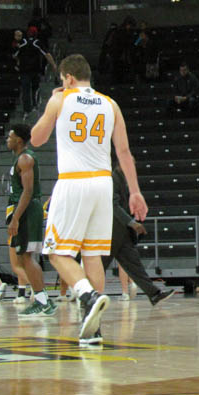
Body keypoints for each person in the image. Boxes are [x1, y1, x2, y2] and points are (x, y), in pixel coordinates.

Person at [31, 54, 148, 344]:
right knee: (91, 254)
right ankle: (93, 329)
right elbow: (123, 153)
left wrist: (52, 102)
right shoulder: (111, 104)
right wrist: (134, 191)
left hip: (74, 182)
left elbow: (35, 138)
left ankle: (87, 295)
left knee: (57, 252)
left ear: (68, 78)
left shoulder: (61, 99)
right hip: (103, 184)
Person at [103, 151, 174, 306]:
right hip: (113, 230)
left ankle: (154, 293)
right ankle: (86, 294)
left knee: (133, 264)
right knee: (100, 264)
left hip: (121, 232)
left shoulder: (124, 179)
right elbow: (113, 206)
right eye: (130, 162)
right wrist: (132, 223)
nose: (132, 166)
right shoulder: (113, 178)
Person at [5, 123, 54, 317]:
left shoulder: (25, 159)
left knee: (27, 256)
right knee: (24, 258)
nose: (7, 140)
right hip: (24, 209)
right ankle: (44, 300)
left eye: (10, 137)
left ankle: (42, 301)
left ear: (18, 139)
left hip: (27, 210)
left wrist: (15, 218)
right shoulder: (19, 158)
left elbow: (28, 191)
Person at [13, 26, 56, 120]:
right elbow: (47, 54)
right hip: (35, 70)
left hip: (24, 70)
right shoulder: (37, 43)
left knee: (25, 90)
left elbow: (15, 55)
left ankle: (27, 110)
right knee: (34, 88)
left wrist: (18, 62)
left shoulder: (22, 43)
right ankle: (34, 105)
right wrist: (53, 65)